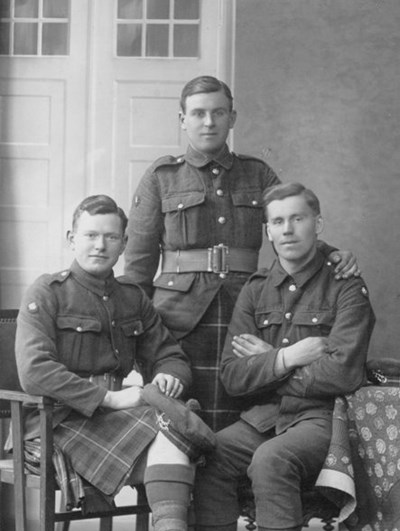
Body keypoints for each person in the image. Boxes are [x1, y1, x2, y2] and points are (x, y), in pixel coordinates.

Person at [15, 194, 224, 531]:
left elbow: (170, 354)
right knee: (179, 432)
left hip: (117, 421)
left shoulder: (132, 297)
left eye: (111, 237)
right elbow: (35, 372)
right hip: (60, 423)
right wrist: (108, 400)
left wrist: (168, 377)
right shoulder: (46, 293)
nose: (100, 245)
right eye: (90, 235)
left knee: (172, 419)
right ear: (72, 239)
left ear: (125, 243)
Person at [124, 75, 359, 432]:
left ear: (232, 118)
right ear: (182, 120)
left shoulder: (258, 173)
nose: (208, 122)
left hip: (244, 312)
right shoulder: (162, 177)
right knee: (174, 425)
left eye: (218, 112)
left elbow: (288, 224)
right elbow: (138, 269)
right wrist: (137, 335)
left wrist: (330, 255)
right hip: (176, 322)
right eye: (198, 113)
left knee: (242, 419)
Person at [193, 182, 375, 531]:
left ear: (318, 223)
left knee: (272, 460)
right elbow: (233, 376)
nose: (288, 229)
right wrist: (288, 358)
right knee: (211, 454)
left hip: (321, 418)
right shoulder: (256, 291)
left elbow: (342, 374)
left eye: (297, 218)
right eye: (278, 221)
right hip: (264, 417)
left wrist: (267, 361)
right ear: (268, 231)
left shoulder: (346, 285)